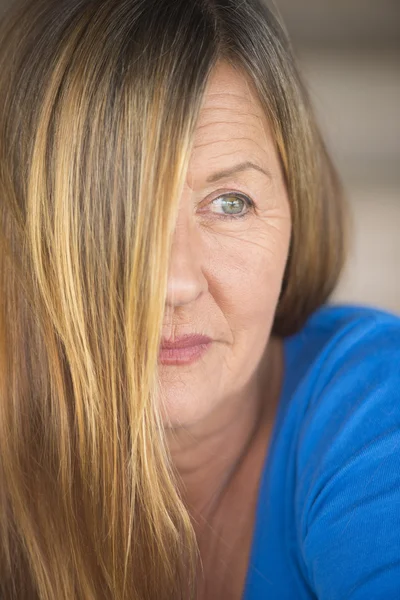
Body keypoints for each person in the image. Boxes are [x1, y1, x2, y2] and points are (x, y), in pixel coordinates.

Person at [0, 0, 399, 598]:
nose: (175, 283)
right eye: (116, 208)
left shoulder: (372, 404)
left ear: (296, 208)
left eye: (231, 201)